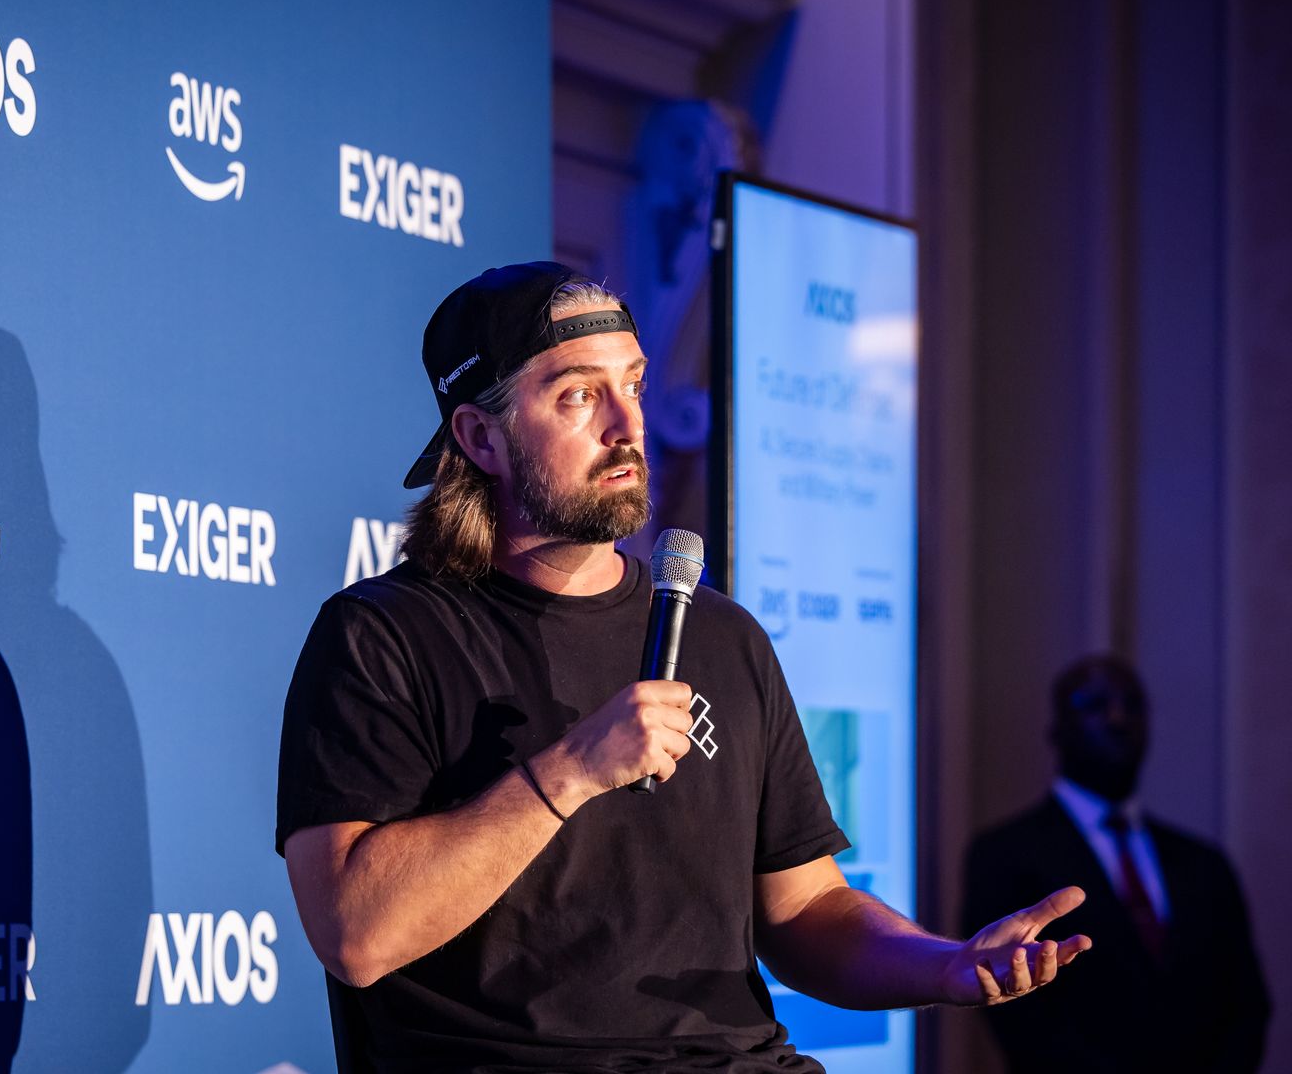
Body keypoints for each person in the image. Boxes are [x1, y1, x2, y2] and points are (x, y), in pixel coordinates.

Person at [276, 262, 1093, 1072]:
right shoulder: (381, 637)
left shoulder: (722, 636)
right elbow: (357, 936)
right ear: (480, 437)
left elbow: (805, 906)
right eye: (578, 395)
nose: (627, 424)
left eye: (631, 382)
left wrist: (943, 968)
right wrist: (570, 772)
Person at [962, 654, 1271, 1072]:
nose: (1118, 719)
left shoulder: (1204, 863)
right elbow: (1015, 1014)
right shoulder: (1004, 854)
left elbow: (1246, 1002)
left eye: (1133, 706)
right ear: (1057, 730)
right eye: (1095, 705)